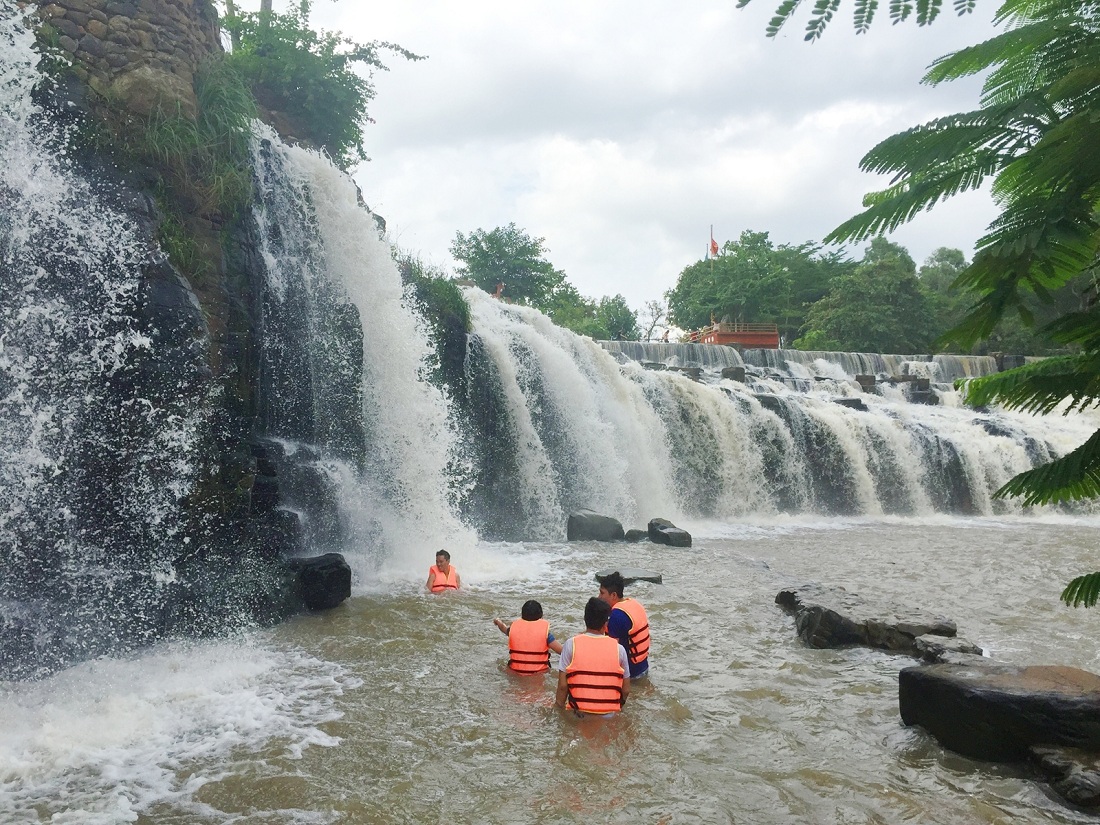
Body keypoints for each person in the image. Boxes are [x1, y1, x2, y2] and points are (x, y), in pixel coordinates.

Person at [556, 597, 630, 715]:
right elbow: (626, 690)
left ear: (585, 619)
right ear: (606, 623)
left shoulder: (571, 644)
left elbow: (562, 686)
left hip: (579, 713)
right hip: (609, 715)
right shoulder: (619, 649)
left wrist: (558, 709)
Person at [597, 571, 650, 679]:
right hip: (643, 667)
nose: (599, 597)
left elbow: (613, 652)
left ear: (613, 595)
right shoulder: (634, 604)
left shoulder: (616, 616)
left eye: (602, 593)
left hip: (630, 675)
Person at [493, 600, 563, 674]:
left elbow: (503, 628)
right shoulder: (546, 635)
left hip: (515, 672)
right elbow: (563, 652)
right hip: (538, 674)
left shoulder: (513, 631)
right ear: (541, 616)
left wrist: (498, 621)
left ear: (522, 616)